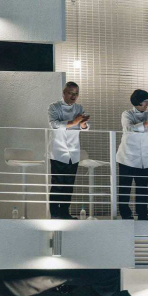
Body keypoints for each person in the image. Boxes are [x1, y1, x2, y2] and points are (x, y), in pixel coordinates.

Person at [47, 82, 90, 219]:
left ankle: (65, 213)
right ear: (64, 93)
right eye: (71, 93)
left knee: (69, 185)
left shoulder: (79, 108)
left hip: (74, 151)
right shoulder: (54, 107)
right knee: (57, 184)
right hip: (58, 151)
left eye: (76, 94)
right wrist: (73, 122)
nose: (73, 96)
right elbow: (54, 124)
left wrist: (83, 124)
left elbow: (84, 127)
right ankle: (54, 214)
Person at [116, 89, 148, 220]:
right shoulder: (127, 114)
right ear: (138, 101)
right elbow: (129, 129)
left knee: (142, 188)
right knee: (125, 187)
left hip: (143, 158)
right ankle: (125, 214)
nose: (147, 104)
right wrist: (146, 123)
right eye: (145, 101)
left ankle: (143, 214)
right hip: (127, 157)